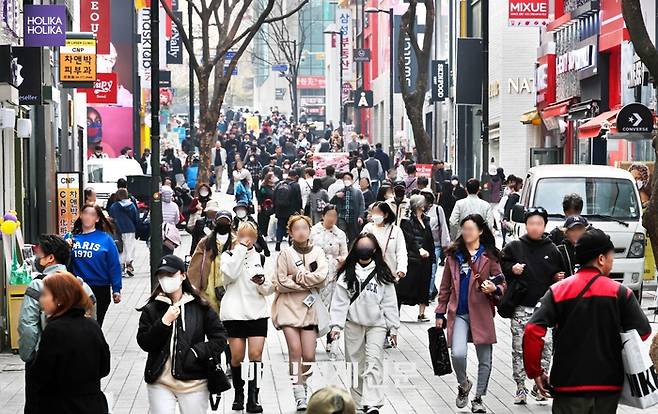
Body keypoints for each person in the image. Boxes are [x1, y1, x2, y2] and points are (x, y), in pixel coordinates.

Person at [523, 228, 651, 413]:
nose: (612, 262)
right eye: (611, 256)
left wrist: (535, 372)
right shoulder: (621, 293)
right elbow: (643, 332)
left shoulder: (557, 291)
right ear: (601, 259)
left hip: (568, 385)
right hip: (608, 386)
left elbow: (532, 330)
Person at [136, 255, 227, 414]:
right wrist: (164, 322)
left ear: (183, 275)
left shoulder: (200, 305)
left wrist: (196, 352)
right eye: (162, 276)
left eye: (170, 275)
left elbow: (220, 338)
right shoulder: (152, 308)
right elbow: (145, 342)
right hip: (160, 381)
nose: (166, 279)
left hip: (194, 381)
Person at [18, 235, 97, 413]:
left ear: (51, 258)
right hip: (81, 363)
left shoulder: (38, 285)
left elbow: (28, 326)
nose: (38, 259)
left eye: (40, 255)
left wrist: (29, 357)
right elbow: (93, 324)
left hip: (44, 361)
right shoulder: (82, 286)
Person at [435, 214, 506, 413]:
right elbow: (445, 287)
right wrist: (440, 312)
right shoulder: (453, 255)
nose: (467, 233)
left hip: (482, 312)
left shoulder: (489, 256)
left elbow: (501, 282)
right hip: (458, 312)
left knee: (485, 359)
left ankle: (478, 399)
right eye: (464, 229)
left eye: (471, 229)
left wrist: (494, 288)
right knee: (457, 353)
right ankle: (464, 384)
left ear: (480, 231)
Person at [329, 233, 400, 414]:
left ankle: (372, 403)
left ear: (374, 249)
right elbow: (339, 301)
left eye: (368, 245)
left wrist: (393, 327)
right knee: (354, 363)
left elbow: (389, 302)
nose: (365, 248)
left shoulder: (382, 273)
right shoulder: (346, 274)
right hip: (353, 323)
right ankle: (358, 401)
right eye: (362, 245)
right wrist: (336, 325)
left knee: (374, 361)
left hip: (377, 324)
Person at [501, 207, 564, 405]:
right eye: (531, 223)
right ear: (525, 225)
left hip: (545, 310)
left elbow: (561, 273)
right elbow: (501, 266)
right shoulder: (514, 247)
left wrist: (557, 277)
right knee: (519, 348)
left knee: (546, 348)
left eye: (539, 223)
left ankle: (541, 385)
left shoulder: (552, 249)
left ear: (545, 225)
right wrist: (512, 269)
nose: (535, 227)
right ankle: (520, 387)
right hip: (521, 307)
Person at [29, 272, 110, 414]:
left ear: (60, 299)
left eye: (45, 295)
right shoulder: (92, 325)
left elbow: (41, 375)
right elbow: (105, 367)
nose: (41, 300)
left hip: (61, 405)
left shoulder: (54, 330)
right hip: (93, 404)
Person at [271, 215, 328, 410]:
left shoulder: (318, 252)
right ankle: (298, 392)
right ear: (290, 232)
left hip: (309, 308)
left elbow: (322, 277)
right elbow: (280, 281)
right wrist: (304, 282)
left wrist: (297, 277)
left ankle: (303, 382)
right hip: (287, 307)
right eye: (297, 229)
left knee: (310, 355)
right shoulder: (285, 254)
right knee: (295, 350)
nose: (301, 232)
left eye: (305, 228)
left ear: (310, 230)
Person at [220, 222, 274, 413]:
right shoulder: (227, 256)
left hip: (257, 312)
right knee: (236, 357)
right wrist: (241, 249)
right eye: (243, 235)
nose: (247, 239)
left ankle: (253, 397)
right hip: (234, 312)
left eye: (251, 235)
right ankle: (238, 393)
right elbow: (230, 275)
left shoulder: (261, 257)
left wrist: (262, 282)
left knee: (256, 355)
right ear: (236, 235)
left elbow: (269, 289)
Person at [70, 204, 122, 327]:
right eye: (86, 213)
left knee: (95, 325)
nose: (88, 217)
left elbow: (114, 265)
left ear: (97, 219)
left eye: (92, 215)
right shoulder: (71, 238)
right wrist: (66, 247)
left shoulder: (105, 239)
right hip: (77, 287)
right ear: (81, 216)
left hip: (100, 288)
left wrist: (116, 289)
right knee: (77, 325)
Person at [310, 205, 348, 350]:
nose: (332, 218)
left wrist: (341, 259)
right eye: (329, 215)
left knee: (332, 308)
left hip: (333, 275)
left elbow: (345, 253)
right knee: (314, 308)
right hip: (316, 273)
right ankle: (311, 339)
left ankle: (330, 341)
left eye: (334, 216)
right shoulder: (313, 231)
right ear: (323, 215)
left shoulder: (340, 234)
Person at [398, 195, 436, 322]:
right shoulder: (407, 221)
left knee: (424, 285)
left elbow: (429, 238)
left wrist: (432, 255)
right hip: (413, 258)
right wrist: (419, 249)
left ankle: (422, 313)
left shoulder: (426, 220)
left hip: (426, 258)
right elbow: (410, 238)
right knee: (405, 286)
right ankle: (396, 312)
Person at [423, 191, 451, 289]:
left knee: (433, 269)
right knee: (424, 270)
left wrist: (445, 244)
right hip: (422, 245)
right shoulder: (418, 210)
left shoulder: (438, 209)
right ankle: (432, 289)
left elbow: (443, 225)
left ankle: (429, 293)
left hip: (436, 245)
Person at [109, 188, 139, 278]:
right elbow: (135, 217)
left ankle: (121, 267)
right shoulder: (132, 205)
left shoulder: (114, 206)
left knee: (121, 248)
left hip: (118, 230)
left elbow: (111, 216)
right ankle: (129, 265)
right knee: (130, 247)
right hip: (130, 229)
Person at [330, 172, 365, 245]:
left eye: (348, 179)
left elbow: (362, 205)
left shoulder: (357, 192)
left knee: (353, 236)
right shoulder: (340, 191)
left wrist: (361, 216)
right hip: (342, 217)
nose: (346, 180)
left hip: (353, 217)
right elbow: (332, 202)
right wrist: (336, 196)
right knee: (341, 235)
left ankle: (350, 252)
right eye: (345, 179)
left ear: (352, 180)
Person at [273, 169, 303, 251]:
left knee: (280, 226)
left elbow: (274, 196)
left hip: (280, 210)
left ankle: (278, 242)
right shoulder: (296, 185)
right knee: (292, 227)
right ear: (295, 176)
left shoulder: (279, 184)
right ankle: (291, 242)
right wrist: (299, 210)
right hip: (291, 211)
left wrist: (275, 208)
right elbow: (298, 199)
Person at [257, 171, 276, 238]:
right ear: (269, 179)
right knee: (264, 220)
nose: (274, 178)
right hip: (265, 206)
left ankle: (272, 234)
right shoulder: (263, 187)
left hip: (273, 207)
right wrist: (259, 205)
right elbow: (260, 196)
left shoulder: (275, 187)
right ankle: (264, 234)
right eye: (273, 177)